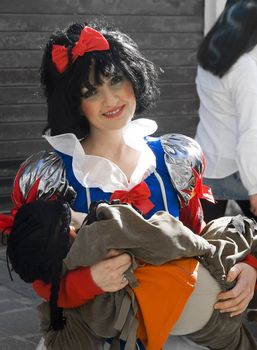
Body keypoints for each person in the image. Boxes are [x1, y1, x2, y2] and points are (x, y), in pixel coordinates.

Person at [2, 19, 257, 349]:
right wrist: (91, 281)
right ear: (73, 102)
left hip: (171, 331)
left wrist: (247, 269)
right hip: (93, 337)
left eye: (116, 80)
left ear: (134, 79)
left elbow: (199, 239)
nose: (110, 100)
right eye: (90, 91)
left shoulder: (174, 158)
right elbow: (40, 275)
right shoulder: (54, 175)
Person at [6, 198, 257, 350]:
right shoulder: (102, 231)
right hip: (213, 282)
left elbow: (70, 343)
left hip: (195, 325)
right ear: (70, 228)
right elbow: (171, 239)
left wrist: (55, 305)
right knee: (236, 225)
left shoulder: (77, 306)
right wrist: (209, 251)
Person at [195, 0, 257, 222]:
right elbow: (250, 132)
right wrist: (255, 186)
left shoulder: (210, 56)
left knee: (206, 243)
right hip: (237, 169)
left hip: (207, 164)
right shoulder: (244, 68)